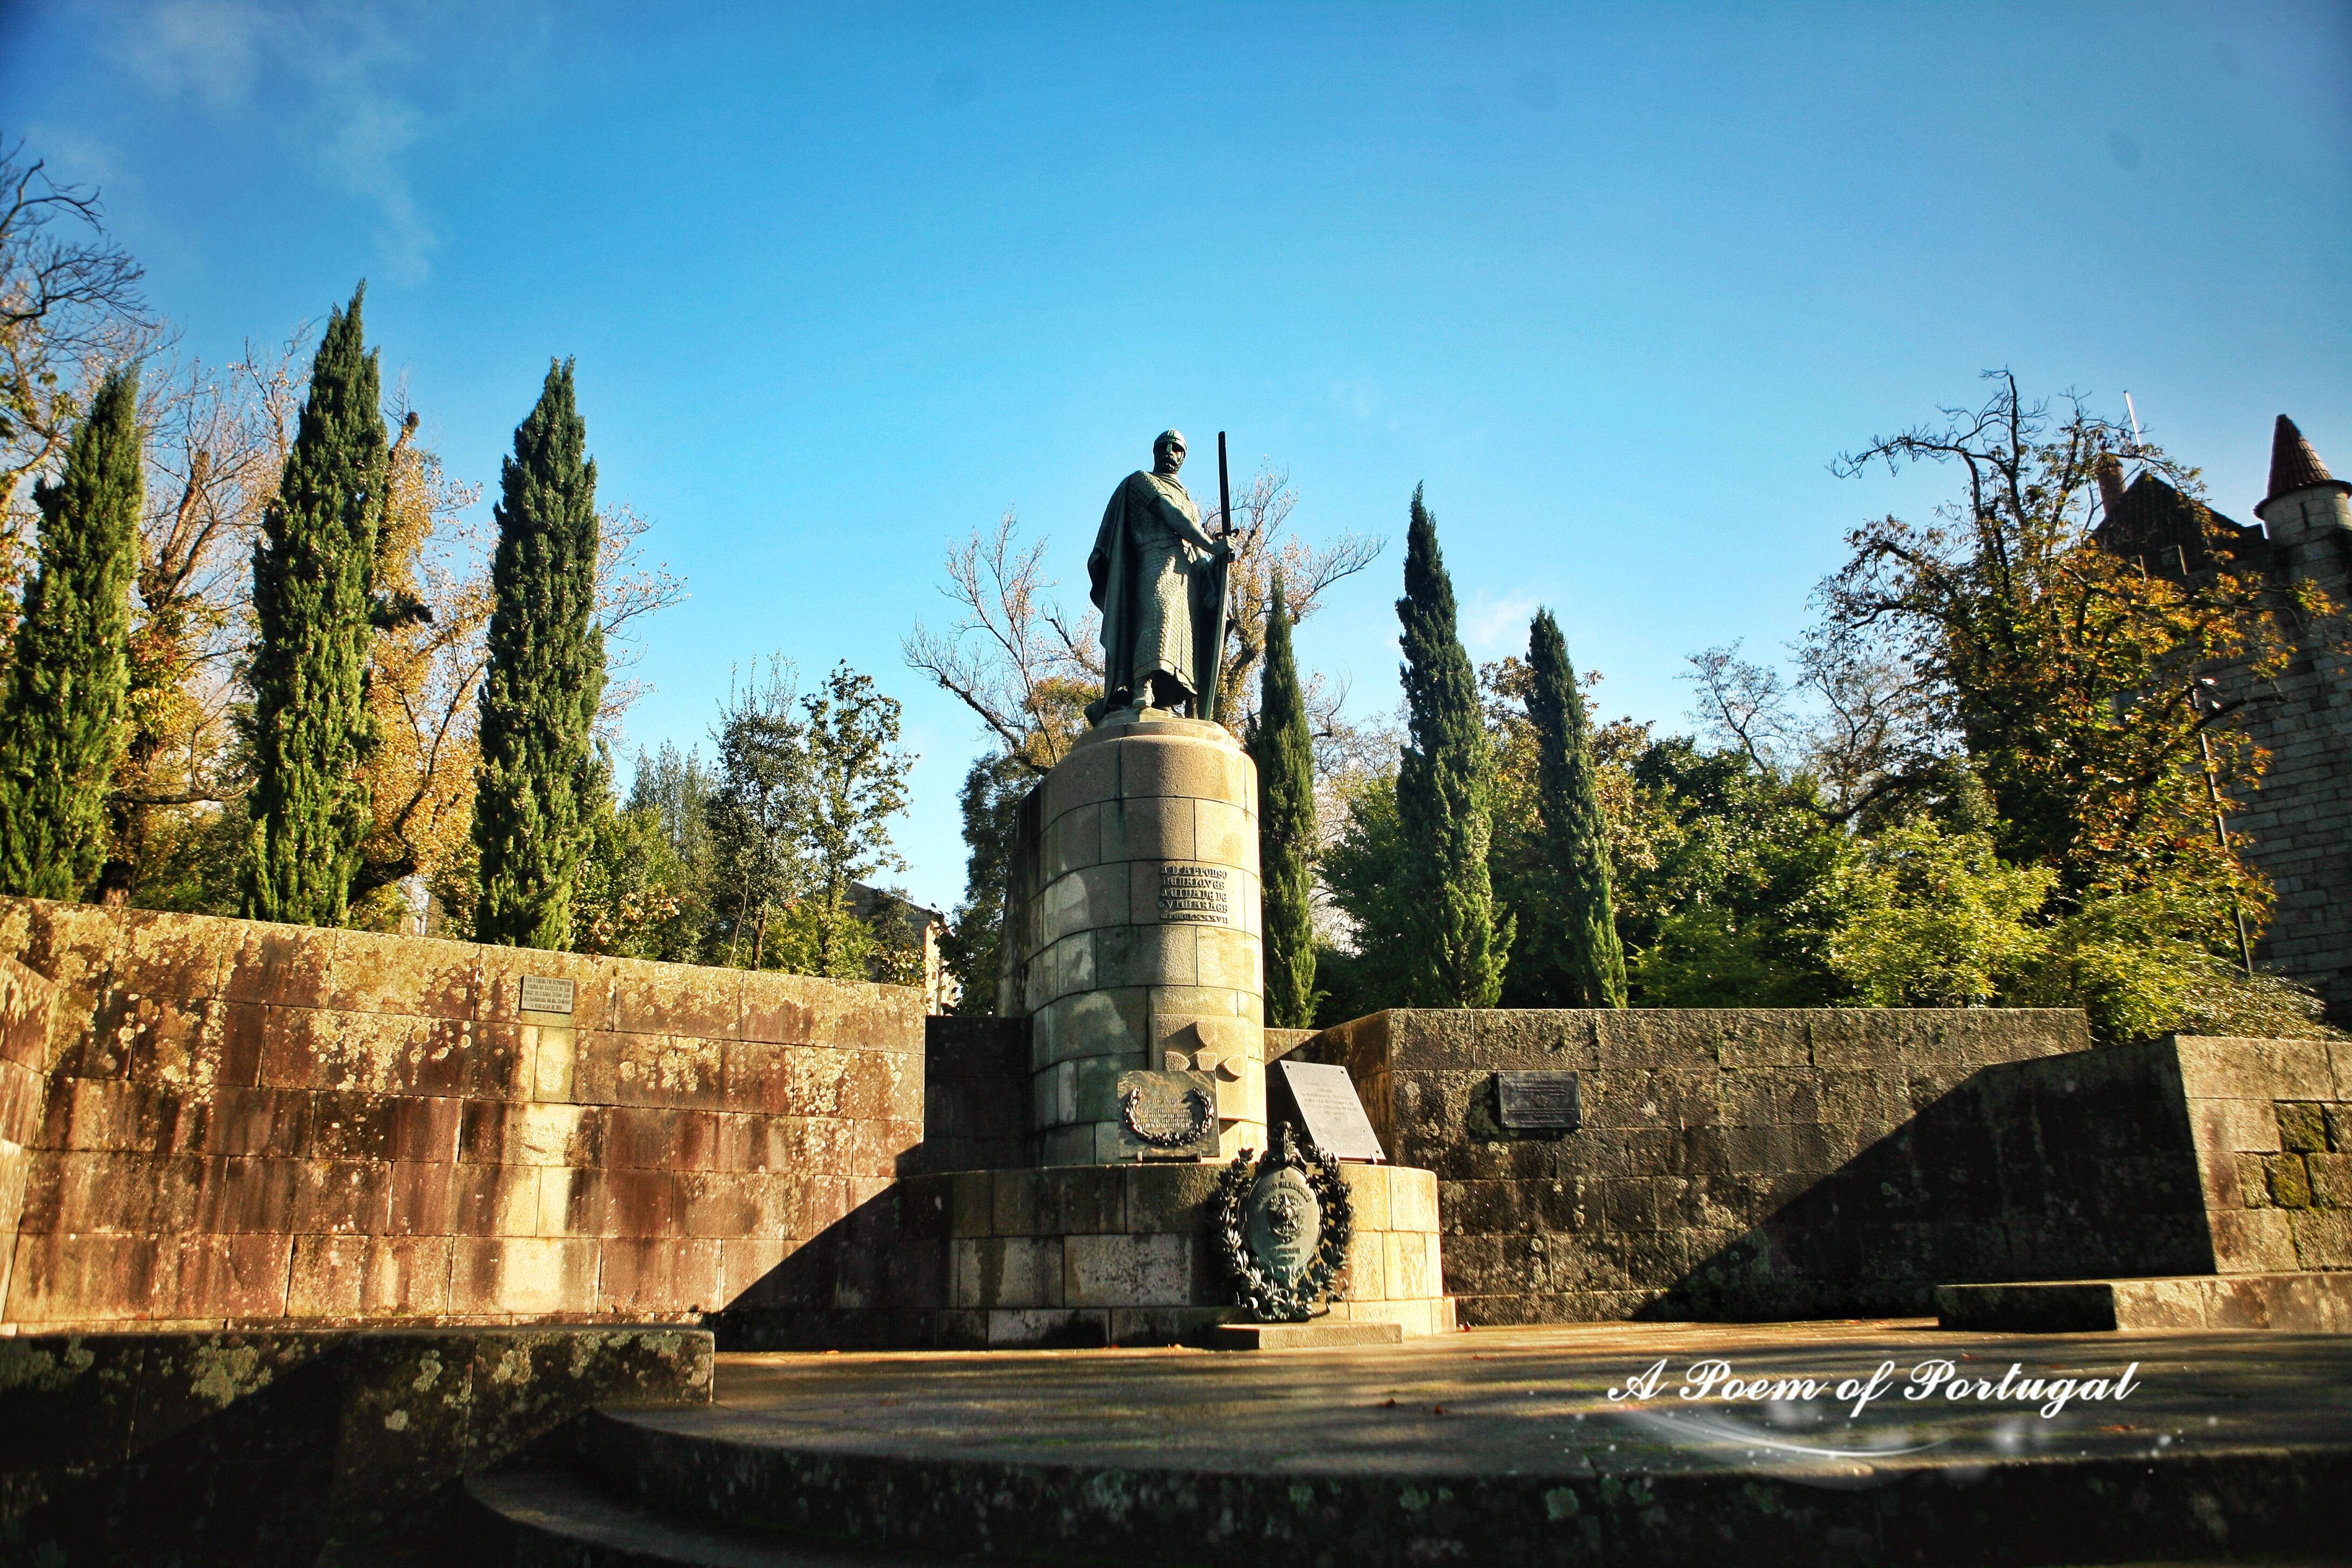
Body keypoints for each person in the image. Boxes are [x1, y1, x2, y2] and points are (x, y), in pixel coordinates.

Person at [1087, 430, 1231, 722]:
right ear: (1154, 452)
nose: (1169, 452)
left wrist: (1217, 564)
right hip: (1155, 561)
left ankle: (1168, 699)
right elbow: (1170, 515)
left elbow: (1195, 544)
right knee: (1158, 616)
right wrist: (1213, 545)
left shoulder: (1189, 499)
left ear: (1183, 457)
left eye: (1176, 448)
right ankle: (1142, 686)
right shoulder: (1143, 481)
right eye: (1163, 447)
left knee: (1186, 638)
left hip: (1189, 571)